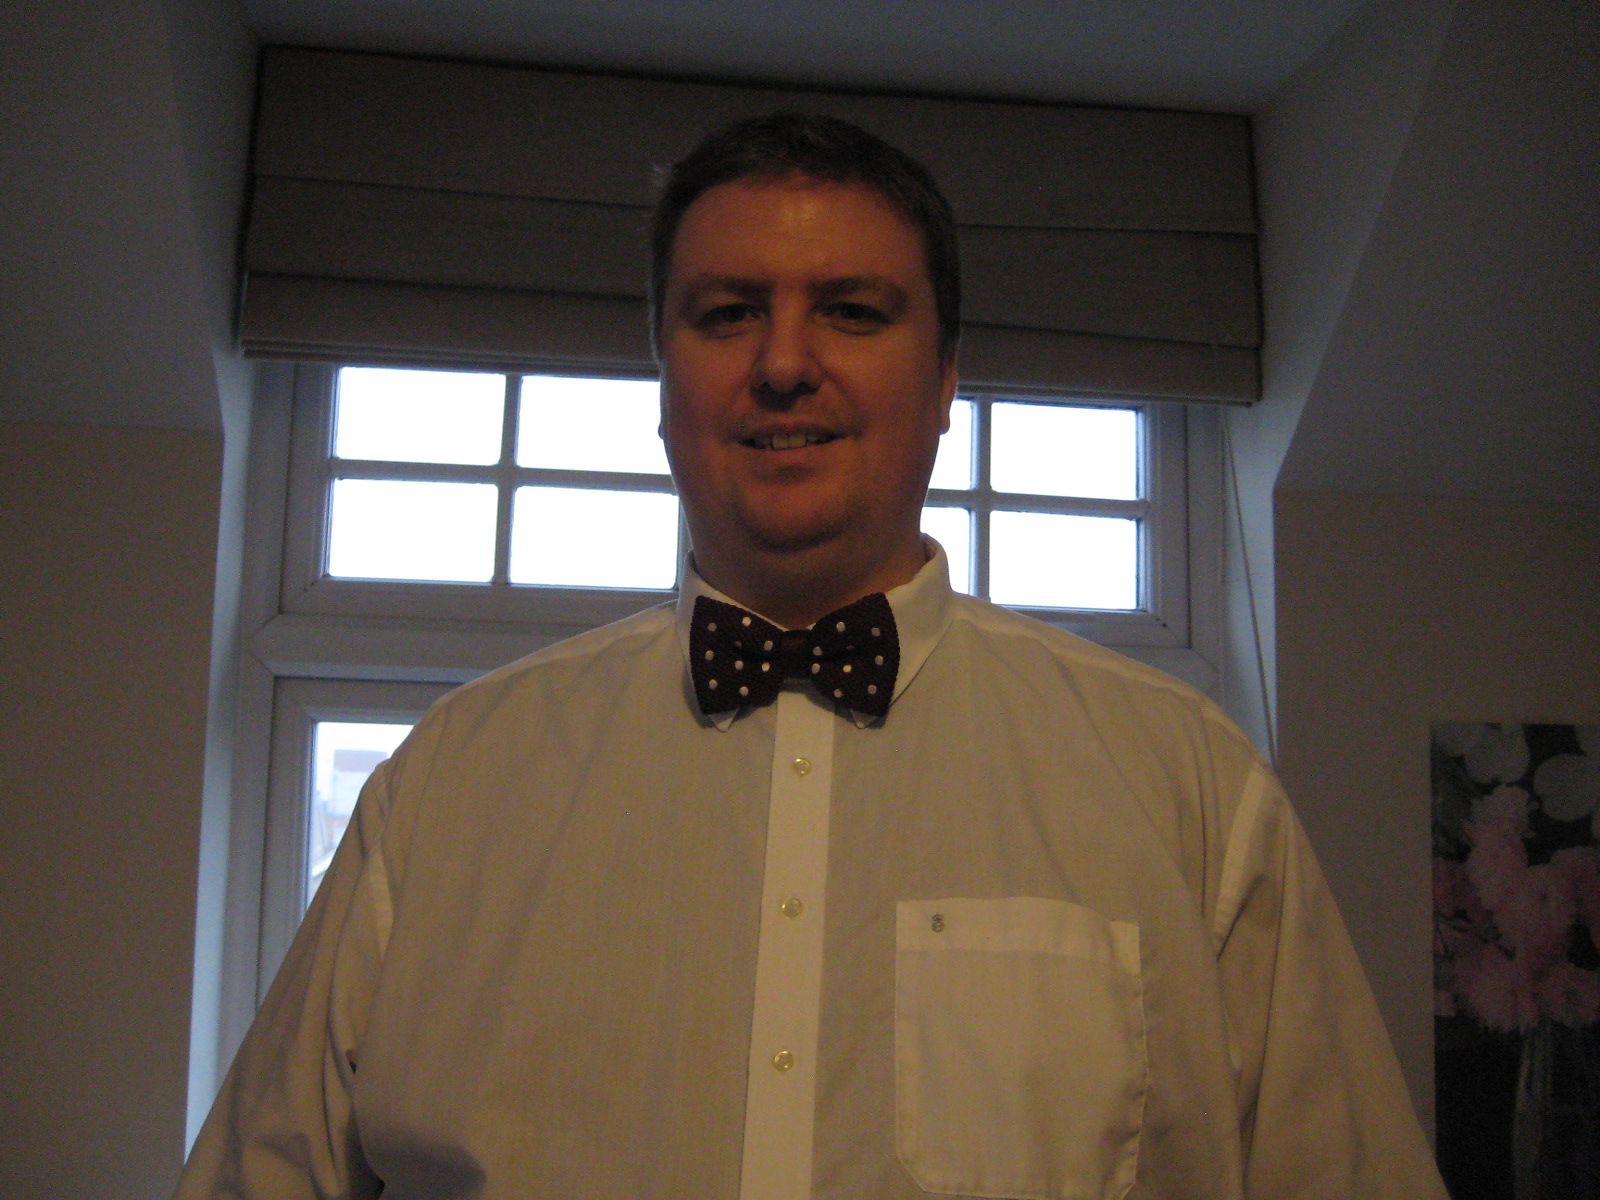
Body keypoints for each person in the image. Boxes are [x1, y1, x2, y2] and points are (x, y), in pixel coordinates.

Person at [177, 113, 1448, 1199]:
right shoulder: (444, 788)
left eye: (851, 311)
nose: (784, 365)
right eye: (727, 313)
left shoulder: (1191, 791)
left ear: (944, 381)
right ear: (663, 380)